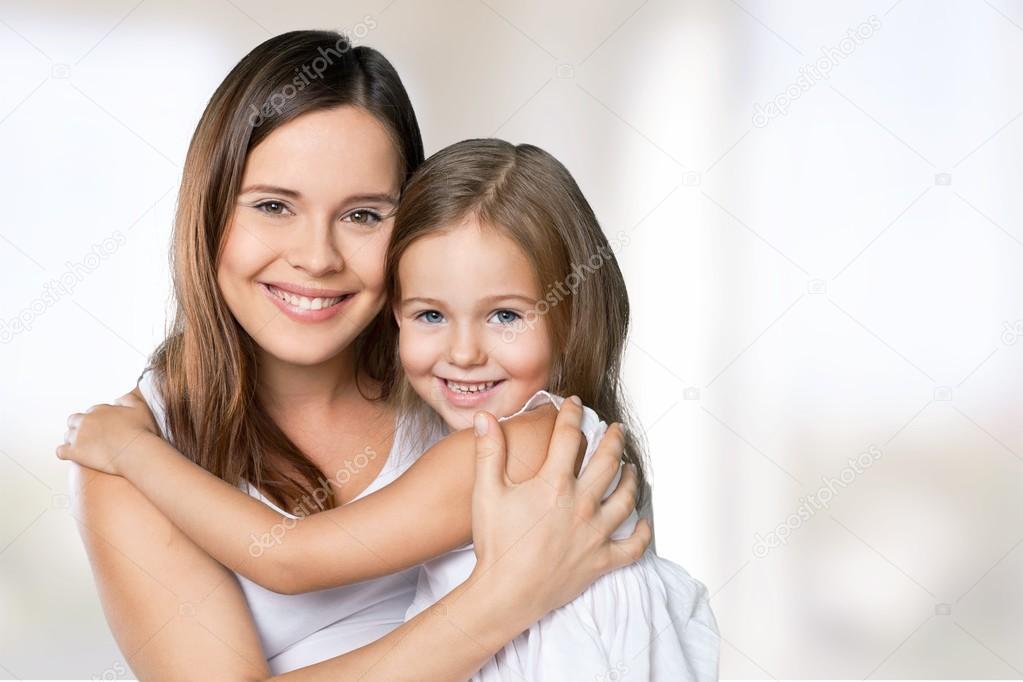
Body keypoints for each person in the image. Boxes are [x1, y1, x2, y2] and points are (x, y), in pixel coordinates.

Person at [58, 30, 649, 679]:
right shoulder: (137, 459)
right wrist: (503, 600)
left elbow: (289, 558)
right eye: (273, 206)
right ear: (206, 212)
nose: (316, 257)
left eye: (363, 215)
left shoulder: (466, 395)